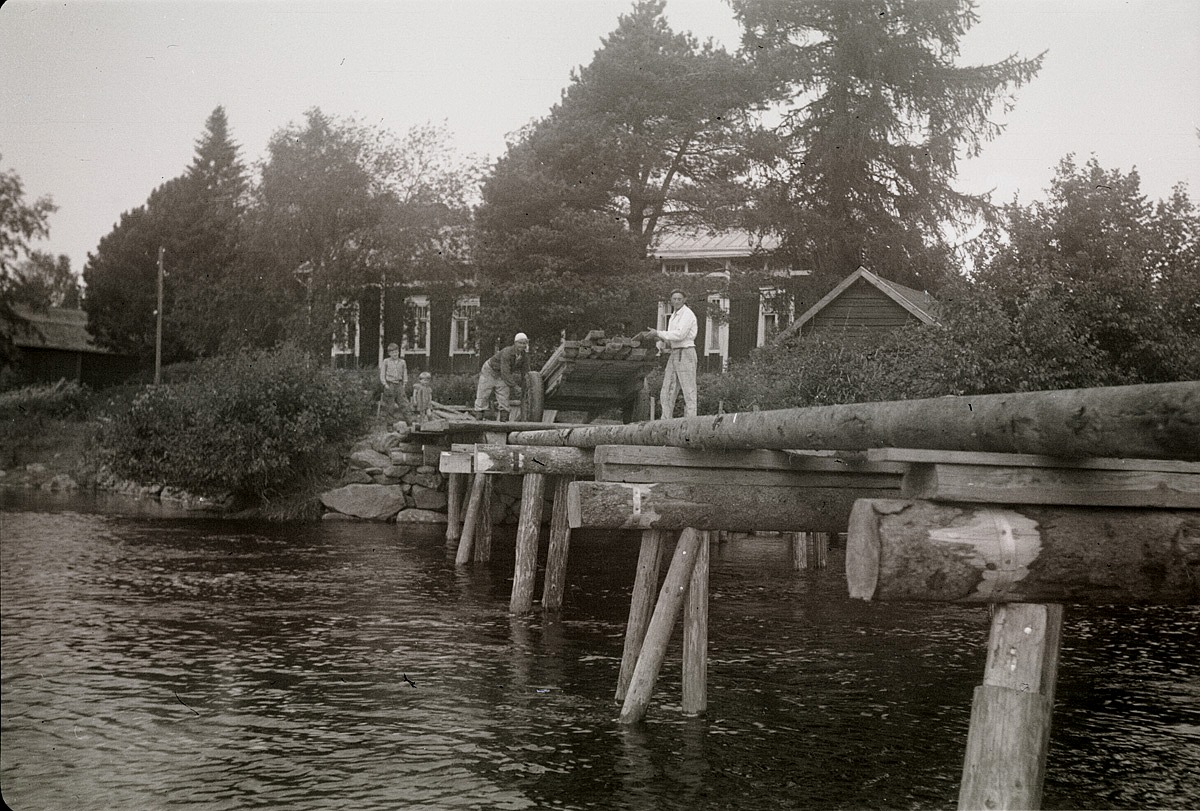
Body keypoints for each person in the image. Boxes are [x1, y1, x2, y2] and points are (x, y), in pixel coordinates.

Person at [649, 289, 698, 418]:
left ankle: (691, 422)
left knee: (689, 390)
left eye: (679, 299)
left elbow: (680, 335)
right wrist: (661, 338)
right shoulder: (674, 316)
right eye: (674, 299)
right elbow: (672, 337)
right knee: (667, 389)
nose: (676, 301)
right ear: (670, 300)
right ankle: (665, 422)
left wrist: (659, 333)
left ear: (684, 300)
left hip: (686, 353)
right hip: (675, 353)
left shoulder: (687, 314)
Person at [475, 332, 530, 421]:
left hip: (502, 375)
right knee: (483, 394)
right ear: (515, 343)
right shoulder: (507, 352)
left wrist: (526, 385)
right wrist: (515, 387)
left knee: (504, 397)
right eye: (520, 343)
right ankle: (478, 420)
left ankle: (504, 422)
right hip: (490, 371)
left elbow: (525, 372)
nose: (522, 345)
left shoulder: (524, 356)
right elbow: (506, 372)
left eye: (524, 343)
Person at [379, 342, 410, 422]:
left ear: (398, 352)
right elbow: (382, 373)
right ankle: (390, 424)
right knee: (390, 405)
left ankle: (409, 421)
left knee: (404, 403)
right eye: (392, 352)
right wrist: (385, 384)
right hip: (390, 384)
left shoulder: (402, 362)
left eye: (396, 352)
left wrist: (404, 384)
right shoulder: (386, 361)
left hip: (399, 384)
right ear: (389, 353)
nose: (395, 354)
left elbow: (405, 373)